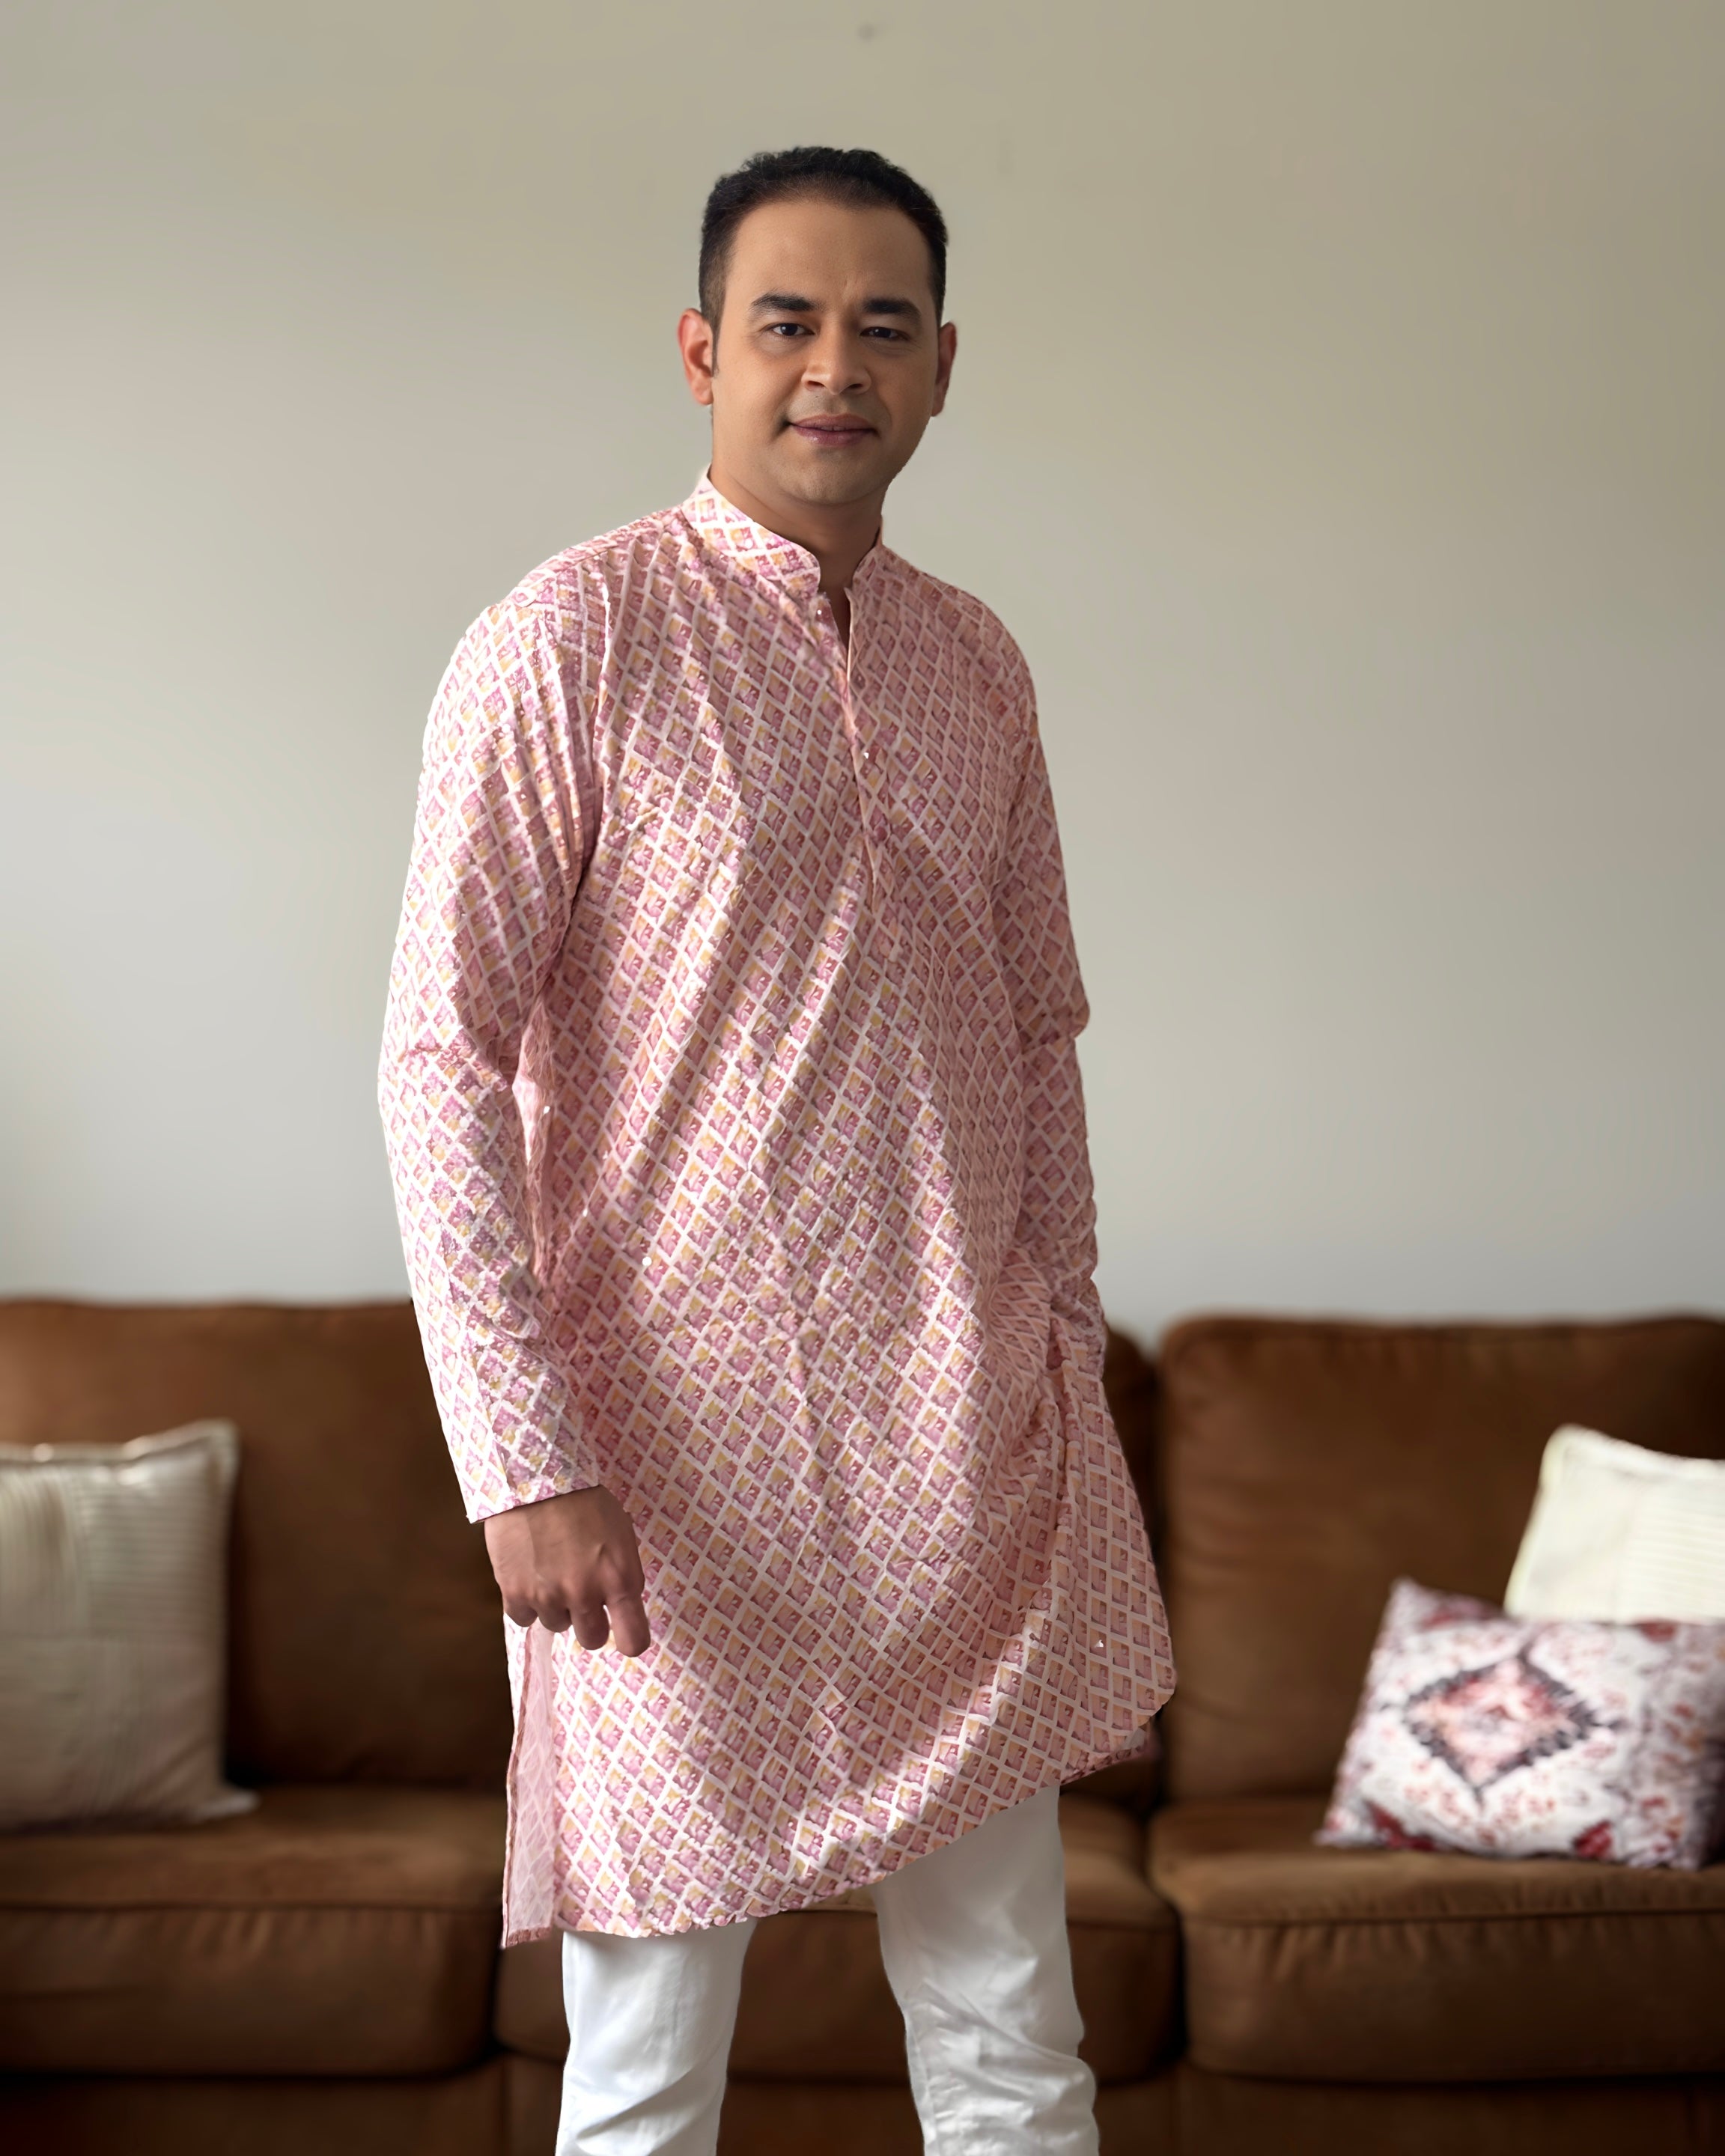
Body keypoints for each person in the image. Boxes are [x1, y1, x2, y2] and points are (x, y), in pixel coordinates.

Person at [380, 144, 1174, 2156]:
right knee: (647, 2077)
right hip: (655, 1493)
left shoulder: (976, 662)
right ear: (702, 351)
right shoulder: (568, 642)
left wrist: (1062, 1342)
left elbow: (1036, 1031)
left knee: (1010, 2037)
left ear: (941, 368)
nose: (837, 367)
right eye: (790, 324)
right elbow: (437, 1058)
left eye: (881, 327)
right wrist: (524, 1453)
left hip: (957, 1456)